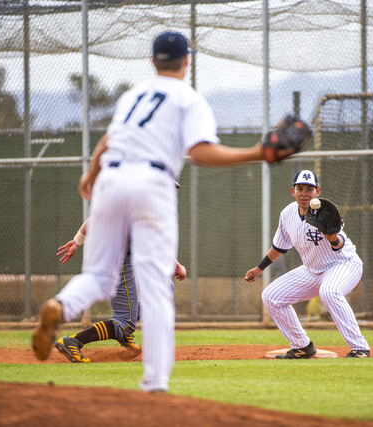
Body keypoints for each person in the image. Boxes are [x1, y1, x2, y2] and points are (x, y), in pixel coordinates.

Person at [32, 30, 265, 393]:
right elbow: (202, 152)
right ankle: (155, 385)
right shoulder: (189, 98)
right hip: (153, 181)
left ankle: (61, 305)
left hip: (110, 179)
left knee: (97, 275)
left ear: (152, 61)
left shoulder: (132, 96)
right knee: (155, 290)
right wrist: (257, 152)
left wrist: (91, 174)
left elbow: (108, 142)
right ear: (187, 60)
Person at [245, 170, 371, 359]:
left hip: (343, 264)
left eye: (309, 189)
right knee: (271, 296)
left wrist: (332, 237)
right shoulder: (287, 214)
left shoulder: (326, 211)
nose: (304, 193)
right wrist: (259, 268)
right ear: (292, 191)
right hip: (313, 271)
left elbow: (339, 244)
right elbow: (279, 247)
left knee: (329, 292)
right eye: (300, 188)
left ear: (317, 191)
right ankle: (302, 346)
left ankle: (360, 348)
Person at [53, 214, 187, 363]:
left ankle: (123, 333)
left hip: (127, 258)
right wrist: (177, 266)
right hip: (119, 260)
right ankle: (73, 341)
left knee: (165, 287)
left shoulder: (137, 200)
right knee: (125, 323)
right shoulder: (143, 202)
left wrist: (77, 242)